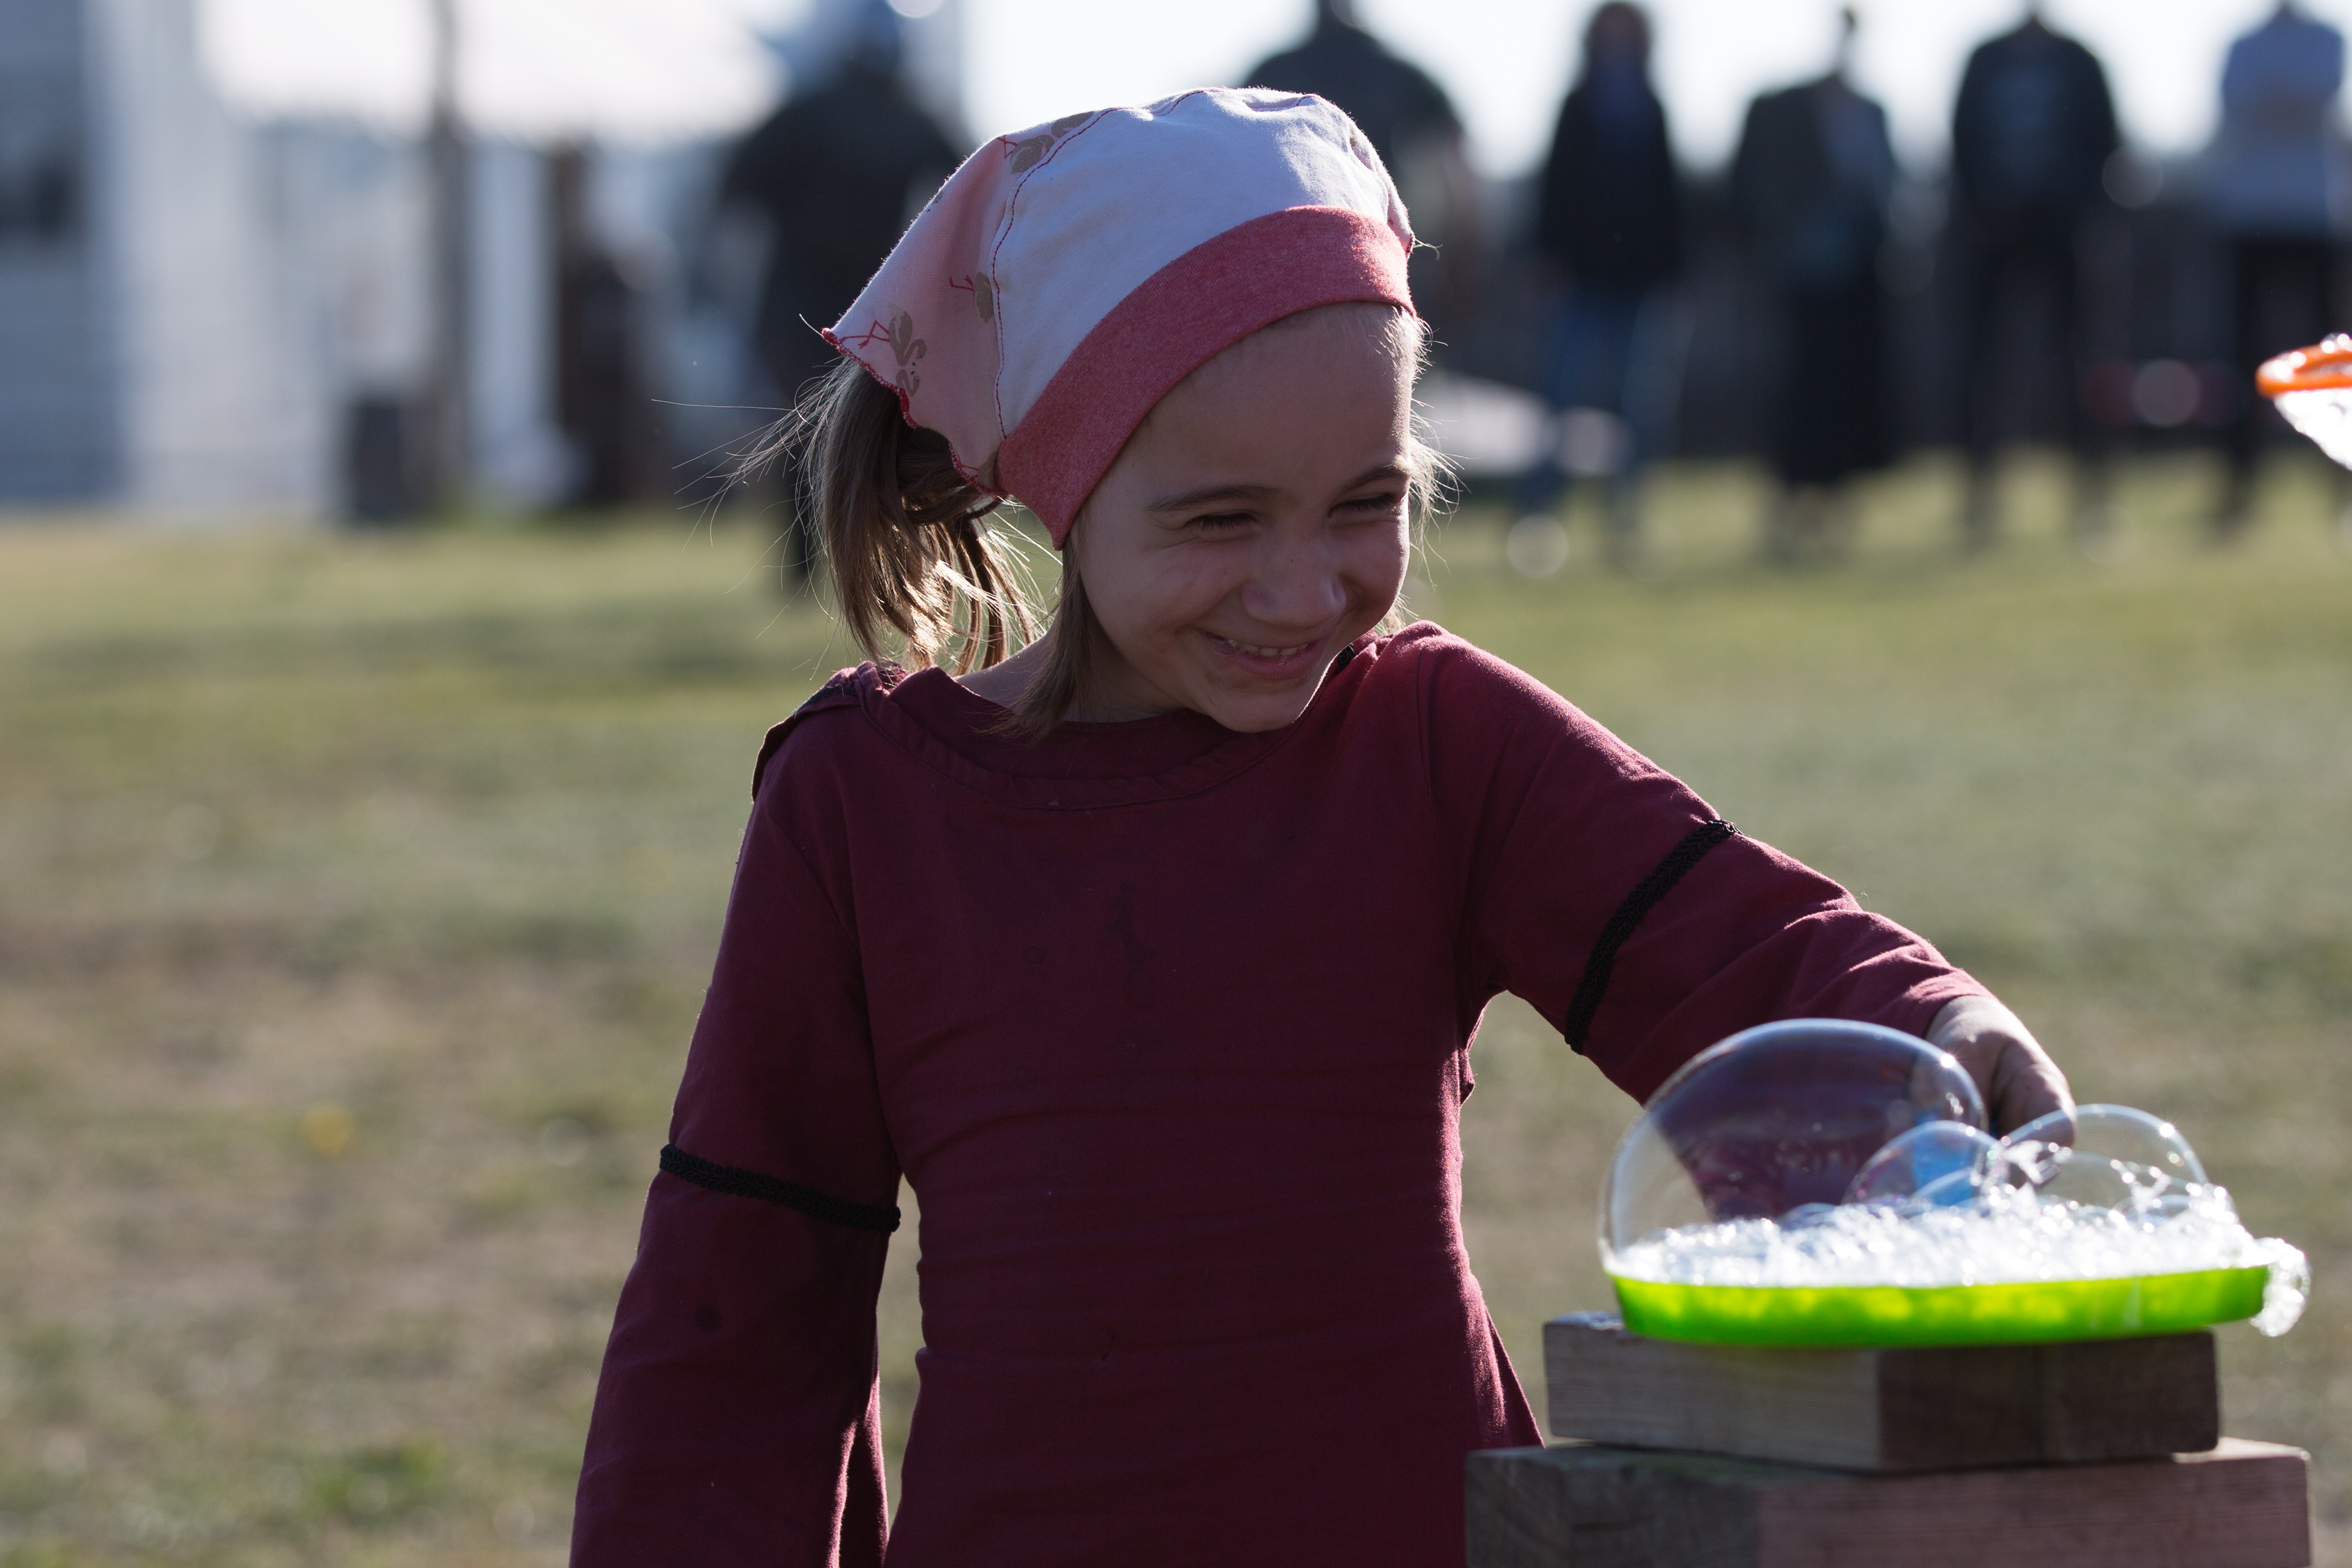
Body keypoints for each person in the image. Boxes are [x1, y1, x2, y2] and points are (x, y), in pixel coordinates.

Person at [570, 88, 2069, 1567]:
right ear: (1062, 483)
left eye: (1365, 501)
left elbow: (1728, 944)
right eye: (1220, 518)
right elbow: (740, 1306)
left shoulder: (1437, 741)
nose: (1304, 590)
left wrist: (1930, 1027)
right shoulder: (865, 803)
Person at [717, 0, 959, 580]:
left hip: (839, 305)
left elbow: (735, 196)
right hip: (844, 304)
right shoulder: (878, 118)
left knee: (825, 434)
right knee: (829, 434)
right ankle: (825, 566)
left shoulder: (819, 116)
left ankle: (832, 566)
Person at [1516, 1, 1684, 567]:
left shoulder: (1652, 107)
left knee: (1639, 406)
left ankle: (1625, 518)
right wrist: (1547, 260)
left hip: (1638, 281)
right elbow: (1555, 188)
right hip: (1579, 277)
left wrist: (1674, 270)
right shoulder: (1577, 106)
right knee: (1559, 399)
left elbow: (1667, 196)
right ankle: (1538, 512)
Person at [1949, 5, 2120, 548]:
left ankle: (2089, 495)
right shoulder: (1985, 59)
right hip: (1994, 231)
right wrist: (1984, 208)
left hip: (2063, 231)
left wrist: (2076, 208)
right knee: (1986, 367)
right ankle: (1980, 496)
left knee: (2078, 364)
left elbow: (2105, 142)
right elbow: (1961, 140)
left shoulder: (2080, 61)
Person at [1731, 9, 1898, 558]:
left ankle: (1837, 501)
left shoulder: (1871, 110)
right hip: (1800, 281)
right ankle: (1788, 503)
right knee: (1796, 394)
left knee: (1847, 394)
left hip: (1857, 282)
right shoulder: (1785, 110)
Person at [1246, 0, 1483, 336]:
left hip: (1296, 253)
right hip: (1377, 246)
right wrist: (1464, 250)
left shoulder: (1273, 72)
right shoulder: (1399, 73)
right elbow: (1456, 162)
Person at [2206, 1, 2348, 537]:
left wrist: (2274, 99)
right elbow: (2238, 107)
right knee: (2243, 353)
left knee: (2327, 359)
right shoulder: (2241, 44)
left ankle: (2339, 480)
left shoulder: (2329, 37)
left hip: (2313, 217)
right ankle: (2239, 481)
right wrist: (2287, 99)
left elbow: (2317, 98)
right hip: (2250, 216)